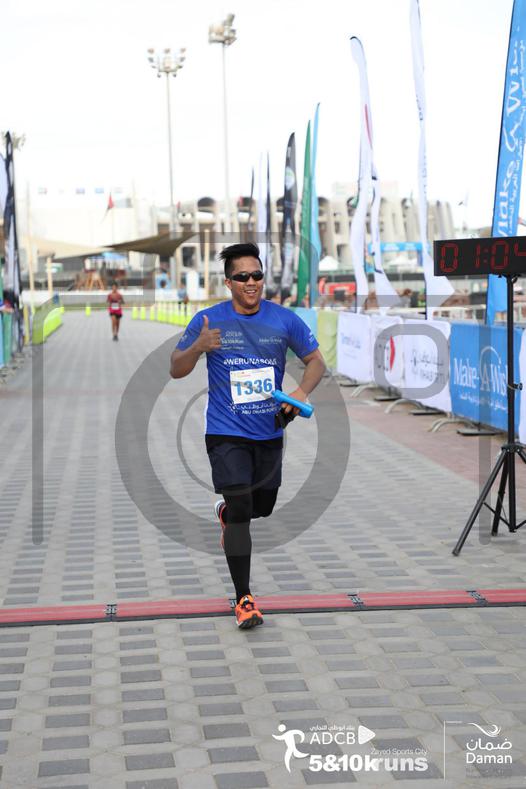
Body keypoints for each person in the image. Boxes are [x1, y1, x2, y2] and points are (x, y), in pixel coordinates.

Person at [170, 242, 326, 628]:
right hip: (225, 432)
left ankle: (227, 514)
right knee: (242, 509)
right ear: (229, 283)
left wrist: (298, 394)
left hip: (269, 431)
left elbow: (315, 362)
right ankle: (244, 599)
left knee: (262, 507)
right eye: (242, 277)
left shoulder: (284, 320)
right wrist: (198, 347)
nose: (252, 282)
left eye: (257, 275)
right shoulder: (208, 320)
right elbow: (176, 368)